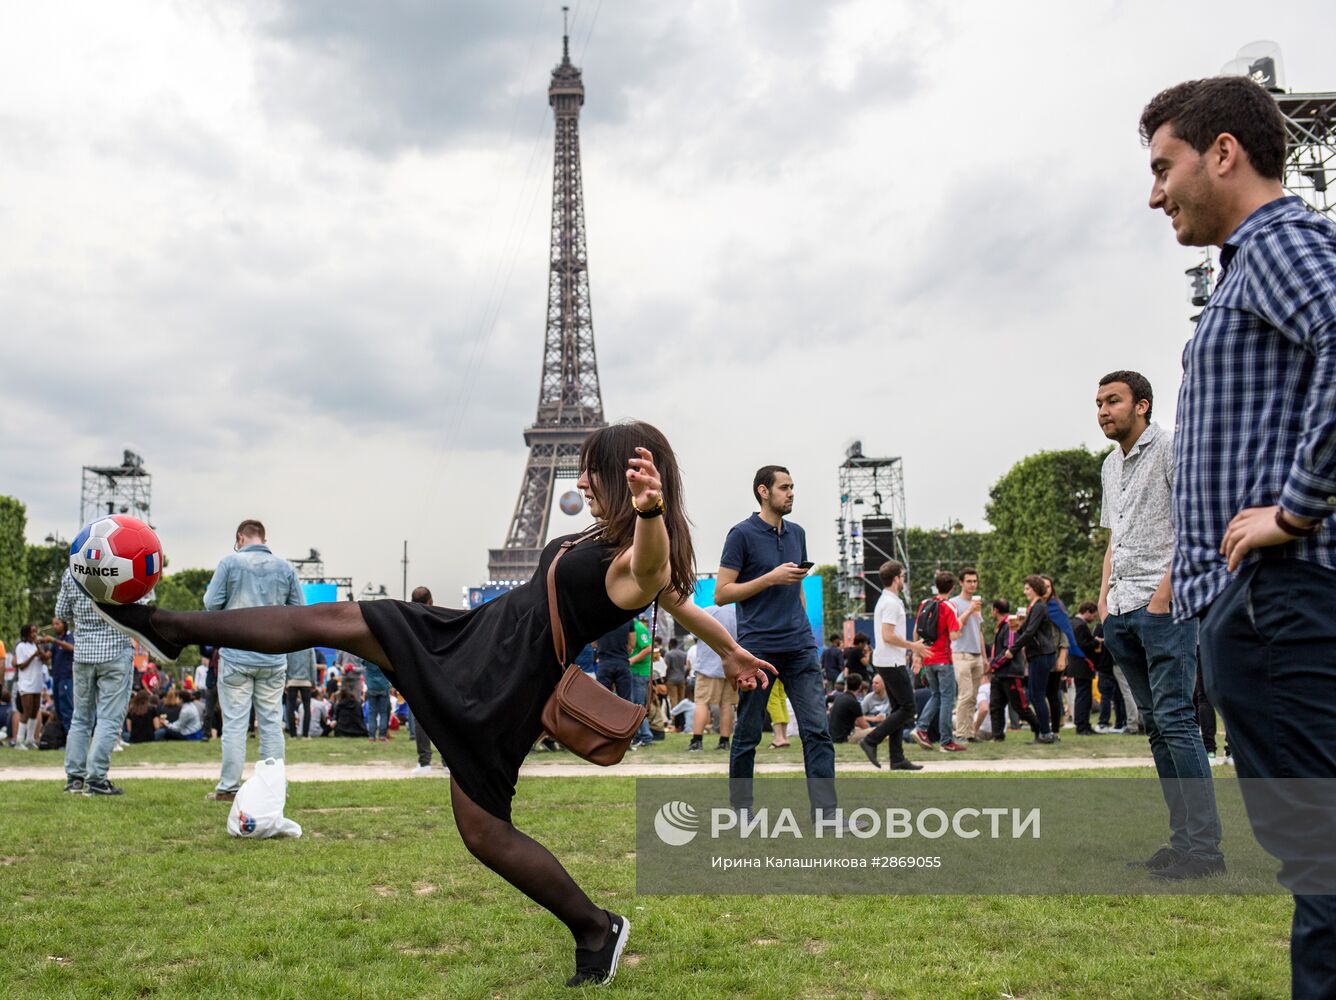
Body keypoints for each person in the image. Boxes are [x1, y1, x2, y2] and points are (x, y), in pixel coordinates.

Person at [91, 421, 774, 988]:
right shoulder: (600, 540)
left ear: (630, 481)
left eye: (593, 470)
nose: (583, 480)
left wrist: (651, 514)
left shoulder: (636, 558)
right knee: (340, 620)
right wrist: (733, 651)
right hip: (475, 635)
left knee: (483, 832)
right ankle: (172, 627)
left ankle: (597, 928)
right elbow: (683, 604)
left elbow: (654, 573)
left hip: (504, 678)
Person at [1141, 76, 1336, 991]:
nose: (1155, 194)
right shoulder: (1255, 264)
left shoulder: (1281, 244)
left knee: (1323, 860)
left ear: (1224, 152)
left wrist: (1295, 507)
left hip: (1284, 597)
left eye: (1163, 167)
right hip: (1267, 600)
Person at [1095, 370, 1224, 878]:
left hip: (1162, 606)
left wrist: (1164, 594)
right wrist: (1104, 603)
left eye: (1113, 401)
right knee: (1156, 727)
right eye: (1099, 403)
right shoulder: (1110, 466)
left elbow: (1195, 525)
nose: (1103, 411)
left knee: (1176, 721)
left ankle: (1206, 852)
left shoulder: (1173, 448)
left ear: (1142, 405)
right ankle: (1182, 843)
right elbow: (1114, 538)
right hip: (1121, 608)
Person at [714, 465, 838, 821]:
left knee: (818, 730)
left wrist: (804, 627)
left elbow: (796, 587)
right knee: (748, 733)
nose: (791, 492)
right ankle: (741, 811)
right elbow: (722, 593)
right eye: (784, 487)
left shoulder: (797, 533)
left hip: (800, 647)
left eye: (793, 486)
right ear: (763, 491)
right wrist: (769, 578)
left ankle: (826, 815)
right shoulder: (741, 534)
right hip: (758, 650)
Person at [201, 519, 305, 803]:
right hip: (273, 656)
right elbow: (299, 610)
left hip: (236, 654)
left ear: (240, 537)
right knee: (271, 723)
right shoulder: (285, 568)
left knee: (235, 725)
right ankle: (274, 786)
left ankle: (229, 787)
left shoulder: (229, 563)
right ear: (264, 539)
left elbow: (211, 604)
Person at [57, 570, 137, 795]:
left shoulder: (72, 571)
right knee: (109, 719)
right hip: (115, 652)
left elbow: (61, 612)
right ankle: (96, 778)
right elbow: (141, 605)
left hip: (83, 654)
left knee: (80, 718)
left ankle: (75, 778)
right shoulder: (123, 567)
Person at [858, 560, 928, 771]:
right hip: (891, 662)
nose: (904, 579)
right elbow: (888, 636)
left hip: (887, 660)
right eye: (903, 576)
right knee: (908, 708)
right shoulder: (891, 603)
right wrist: (912, 646)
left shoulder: (888, 600)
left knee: (898, 708)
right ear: (896, 578)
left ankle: (897, 759)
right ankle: (871, 740)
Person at [911, 571, 966, 753]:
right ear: (952, 588)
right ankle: (946, 741)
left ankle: (921, 728)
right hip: (944, 659)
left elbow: (916, 631)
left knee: (936, 695)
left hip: (928, 657)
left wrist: (917, 655)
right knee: (947, 699)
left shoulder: (925, 603)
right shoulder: (949, 606)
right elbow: (954, 635)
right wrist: (961, 625)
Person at [1003, 577, 1057, 744]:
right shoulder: (1034, 607)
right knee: (1034, 695)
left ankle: (1045, 733)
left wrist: (1013, 649)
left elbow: (1030, 632)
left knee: (1037, 695)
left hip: (1042, 653)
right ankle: (1043, 732)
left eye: (1027, 588)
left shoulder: (1039, 606)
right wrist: (1019, 628)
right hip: (1038, 654)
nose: (1025, 591)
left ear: (1034, 588)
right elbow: (1028, 631)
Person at [404, 587, 447, 774]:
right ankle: (448, 763)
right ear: (431, 600)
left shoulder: (407, 620)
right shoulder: (438, 617)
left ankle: (424, 763)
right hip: (439, 673)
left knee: (421, 719)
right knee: (445, 720)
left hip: (418, 675)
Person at [685, 605, 738, 753]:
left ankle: (697, 742)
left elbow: (694, 634)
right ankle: (724, 742)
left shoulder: (708, 611)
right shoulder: (737, 613)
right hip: (732, 666)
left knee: (702, 702)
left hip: (708, 666)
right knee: (727, 705)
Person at [987, 599, 1040, 742]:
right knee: (995, 705)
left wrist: (993, 664)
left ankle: (1039, 729)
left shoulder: (1010, 625)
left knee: (1020, 706)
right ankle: (997, 736)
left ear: (995, 610)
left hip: (1010, 673)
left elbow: (1010, 649)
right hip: (999, 673)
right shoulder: (1002, 626)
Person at [948, 568, 986, 744]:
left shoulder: (977, 603)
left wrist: (984, 656)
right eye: (969, 581)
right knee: (965, 693)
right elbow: (954, 626)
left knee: (973, 696)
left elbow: (979, 630)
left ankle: (969, 732)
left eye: (975, 581)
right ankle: (960, 733)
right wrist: (970, 610)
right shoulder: (953, 603)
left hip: (976, 654)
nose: (973, 584)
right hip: (960, 652)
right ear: (961, 583)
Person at [12, 625, 48, 750]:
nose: (35, 634)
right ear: (26, 633)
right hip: (26, 683)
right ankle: (19, 741)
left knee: (34, 711)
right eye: (32, 632)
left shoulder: (36, 646)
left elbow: (45, 660)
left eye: (36, 632)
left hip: (37, 683)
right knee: (26, 711)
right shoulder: (21, 646)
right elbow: (21, 666)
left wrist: (39, 649)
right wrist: (33, 655)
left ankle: (30, 739)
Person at [1068, 603, 1101, 735]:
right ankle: (1082, 726)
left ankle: (1083, 724)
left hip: (1076, 665)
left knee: (1082, 695)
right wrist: (1096, 641)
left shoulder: (1072, 623)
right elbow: (1082, 645)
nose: (1094, 618)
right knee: (1084, 696)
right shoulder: (1081, 625)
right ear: (1087, 612)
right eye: (1094, 615)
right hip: (1082, 665)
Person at [45, 618, 75, 734]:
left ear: (64, 624)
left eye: (57, 624)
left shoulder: (70, 636)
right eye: (53, 624)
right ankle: (63, 735)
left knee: (66, 706)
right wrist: (37, 645)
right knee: (58, 707)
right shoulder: (56, 640)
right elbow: (46, 656)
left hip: (66, 677)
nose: (54, 626)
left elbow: (71, 647)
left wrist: (53, 640)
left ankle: (70, 736)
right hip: (56, 677)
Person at [285, 646, 317, 738]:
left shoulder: (289, 646)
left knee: (290, 708)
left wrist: (286, 682)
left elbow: (286, 665)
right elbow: (312, 665)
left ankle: (292, 735)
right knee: (307, 708)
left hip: (292, 681)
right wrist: (313, 682)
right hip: (306, 681)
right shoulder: (309, 648)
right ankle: (305, 735)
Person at [828, 673, 870, 743]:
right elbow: (864, 725)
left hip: (833, 736)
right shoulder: (854, 702)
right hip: (845, 738)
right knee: (873, 730)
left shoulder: (839, 697)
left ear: (846, 685)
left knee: (858, 729)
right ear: (860, 686)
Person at [362, 656, 392, 742]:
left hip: (371, 687)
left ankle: (372, 736)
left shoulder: (367, 657)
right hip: (383, 687)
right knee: (383, 713)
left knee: (372, 713)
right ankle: (382, 736)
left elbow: (361, 661)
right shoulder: (383, 657)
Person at [662, 638, 688, 729]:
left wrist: (664, 678)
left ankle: (675, 720)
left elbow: (667, 667)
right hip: (681, 679)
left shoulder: (668, 654)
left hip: (671, 679)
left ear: (670, 644)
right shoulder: (683, 654)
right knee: (681, 700)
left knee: (674, 699)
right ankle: (682, 720)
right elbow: (686, 666)